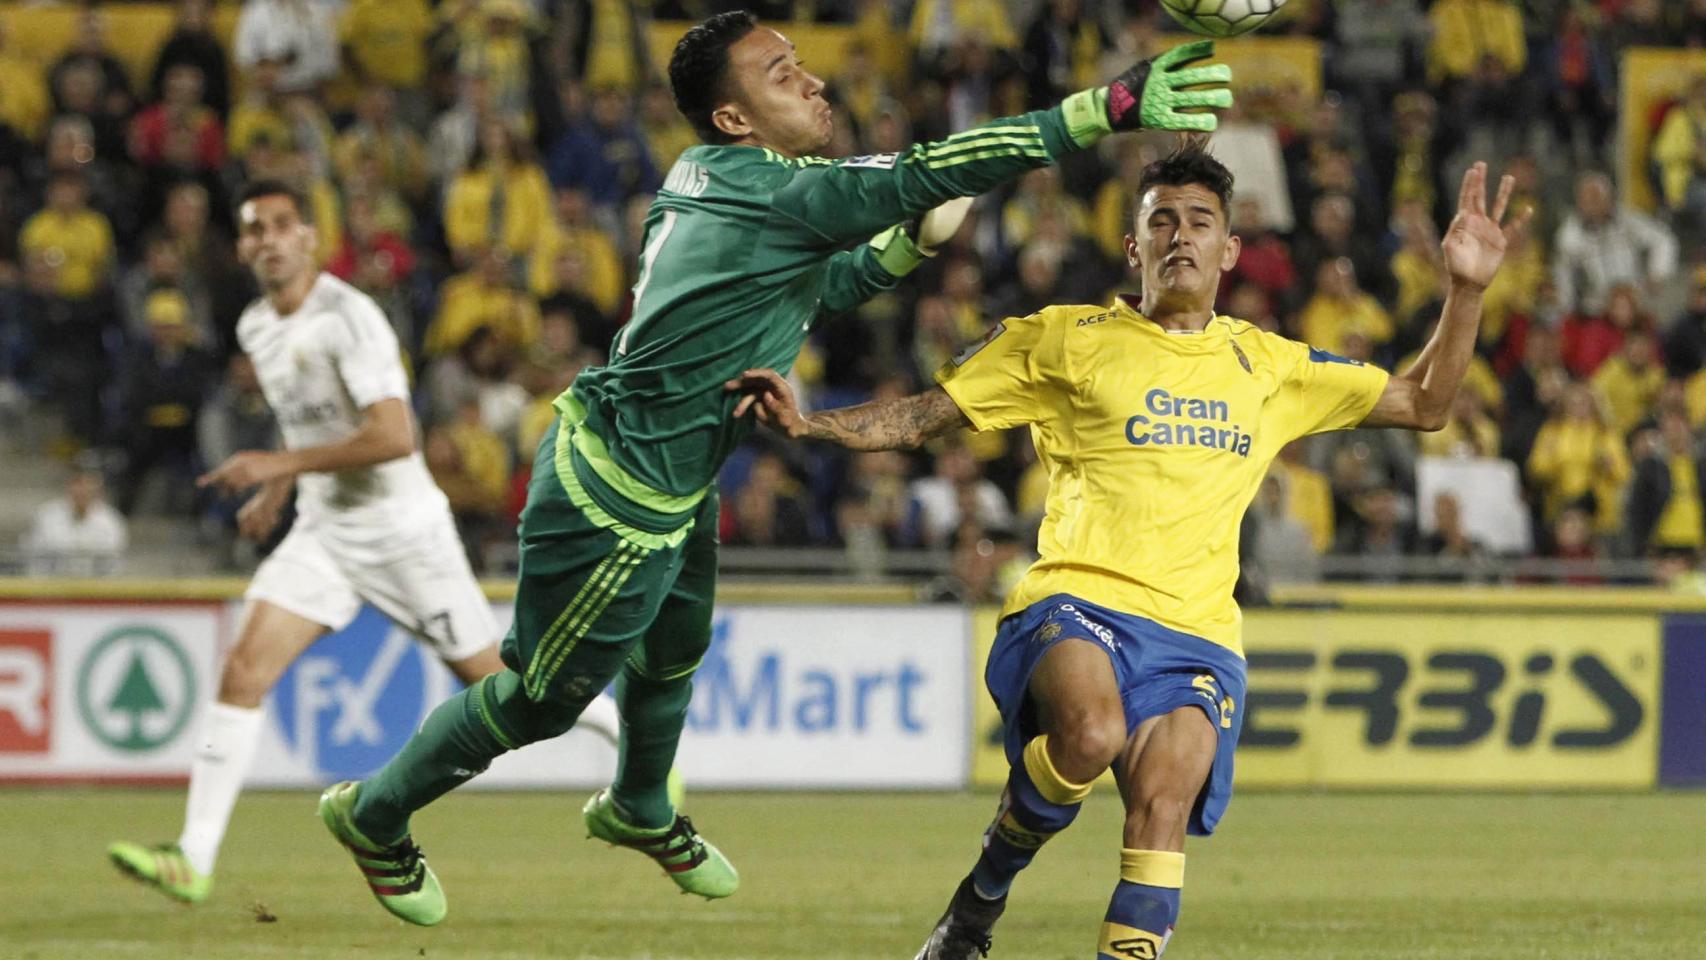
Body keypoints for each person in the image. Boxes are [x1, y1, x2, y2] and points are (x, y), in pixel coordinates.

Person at [318, 10, 1236, 928]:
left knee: (676, 650)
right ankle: (375, 813)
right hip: (613, 503)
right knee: (539, 702)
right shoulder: (777, 193)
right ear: (733, 120)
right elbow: (926, 171)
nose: (814, 81)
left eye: (801, 63)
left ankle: (639, 805)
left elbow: (812, 286)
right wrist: (1104, 106)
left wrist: (906, 248)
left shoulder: (710, 177)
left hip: (674, 474)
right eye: (779, 74)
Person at [731, 145, 1528, 959]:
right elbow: (925, 417)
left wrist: (1464, 291)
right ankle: (979, 902)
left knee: (1161, 814)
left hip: (1199, 634)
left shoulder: (1271, 366)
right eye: (1162, 221)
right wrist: (813, 425)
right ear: (1133, 247)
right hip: (1078, 599)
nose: (1180, 236)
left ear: (1230, 250)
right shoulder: (1064, 339)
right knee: (1090, 733)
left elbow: (1425, 404)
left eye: (1200, 223)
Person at [106, 180, 629, 907]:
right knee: (242, 673)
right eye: (253, 228)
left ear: (309, 239)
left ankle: (622, 731)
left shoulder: (350, 319)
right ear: (243, 245)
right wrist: (281, 486)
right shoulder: (258, 324)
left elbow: (394, 435)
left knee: (498, 685)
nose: (266, 240)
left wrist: (278, 465)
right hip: (325, 532)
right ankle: (192, 858)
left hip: (403, 531)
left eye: (281, 225)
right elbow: (307, 424)